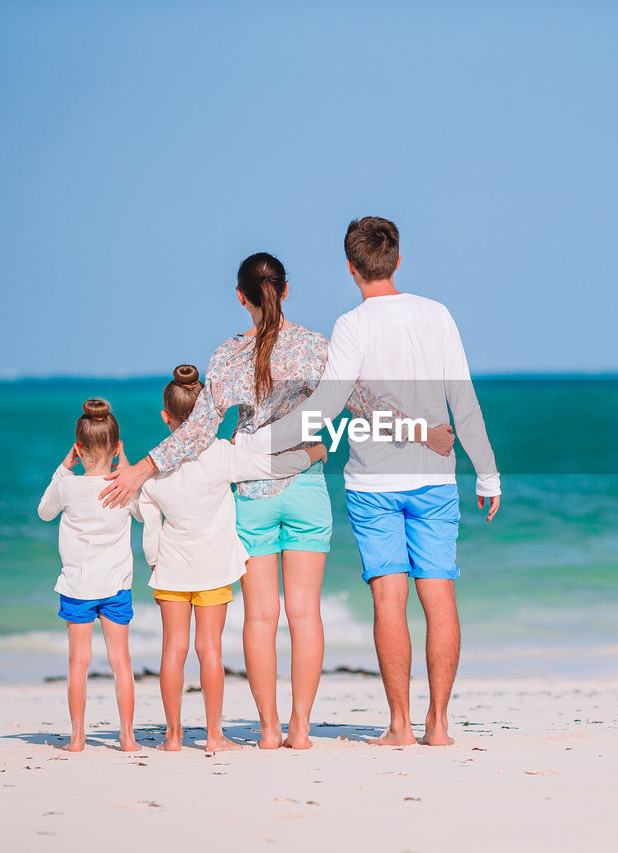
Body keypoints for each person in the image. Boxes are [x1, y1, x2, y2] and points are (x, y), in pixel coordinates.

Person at [99, 253, 453, 750]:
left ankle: (267, 731)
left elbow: (198, 432)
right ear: (286, 291)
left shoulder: (226, 356)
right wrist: (425, 433)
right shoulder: (315, 348)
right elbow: (365, 404)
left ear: (241, 297)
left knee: (261, 617)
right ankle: (301, 730)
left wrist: (141, 469)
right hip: (305, 486)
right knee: (305, 614)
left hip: (251, 495)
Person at [243, 216, 501, 747]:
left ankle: (400, 727)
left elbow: (325, 408)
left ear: (350, 267)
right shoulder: (438, 315)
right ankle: (439, 725)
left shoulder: (352, 325)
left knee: (389, 601)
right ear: (397, 259)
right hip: (434, 480)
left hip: (373, 485)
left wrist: (262, 443)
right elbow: (465, 399)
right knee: (440, 595)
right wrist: (488, 472)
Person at [139, 365, 327, 753]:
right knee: (217, 647)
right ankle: (222, 735)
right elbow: (269, 467)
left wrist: (154, 559)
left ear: (166, 417)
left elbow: (148, 519)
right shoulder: (223, 455)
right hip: (215, 570)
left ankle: (179, 737)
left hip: (171, 574)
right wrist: (311, 455)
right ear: (210, 411)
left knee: (176, 649)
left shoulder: (156, 473)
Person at [37, 398, 141, 753]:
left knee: (77, 664)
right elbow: (143, 514)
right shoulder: (123, 487)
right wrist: (126, 469)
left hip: (78, 587)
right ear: (116, 449)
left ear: (77, 450)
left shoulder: (67, 486)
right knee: (121, 662)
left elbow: (44, 511)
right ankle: (127, 737)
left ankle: (78, 737)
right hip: (116, 586)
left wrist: (63, 468)